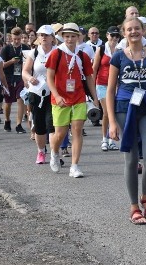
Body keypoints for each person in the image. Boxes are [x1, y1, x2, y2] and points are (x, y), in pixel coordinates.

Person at [105, 16, 146, 225]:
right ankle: (134, 205)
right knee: (132, 158)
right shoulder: (117, 57)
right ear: (124, 33)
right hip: (124, 109)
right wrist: (112, 123)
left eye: (137, 29)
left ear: (143, 31)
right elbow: (110, 90)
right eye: (129, 29)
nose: (134, 32)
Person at [45, 23, 100, 178]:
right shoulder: (56, 54)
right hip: (60, 99)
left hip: (78, 97)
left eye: (73, 36)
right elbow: (49, 78)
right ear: (63, 37)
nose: (70, 39)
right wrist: (56, 95)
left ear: (78, 37)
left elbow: (89, 77)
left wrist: (95, 97)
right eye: (67, 36)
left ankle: (75, 165)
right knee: (60, 134)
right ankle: (54, 153)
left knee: (77, 130)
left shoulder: (82, 55)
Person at [22, 25, 57, 164]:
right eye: (41, 34)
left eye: (46, 35)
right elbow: (25, 71)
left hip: (53, 93)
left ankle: (55, 153)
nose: (43, 37)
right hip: (36, 93)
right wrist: (29, 78)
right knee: (39, 124)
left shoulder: (57, 52)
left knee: (53, 124)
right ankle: (41, 152)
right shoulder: (34, 53)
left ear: (52, 38)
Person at [92, 27, 120, 151]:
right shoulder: (101, 49)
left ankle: (111, 140)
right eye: (112, 35)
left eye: (117, 36)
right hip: (102, 84)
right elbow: (94, 68)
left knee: (115, 113)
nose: (114, 38)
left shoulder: (121, 50)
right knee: (107, 112)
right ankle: (104, 138)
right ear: (107, 35)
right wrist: (91, 88)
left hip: (116, 85)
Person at [0, 27, 30, 134]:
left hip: (20, 77)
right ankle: (7, 120)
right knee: (8, 102)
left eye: (18, 39)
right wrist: (11, 61)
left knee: (20, 99)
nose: (16, 41)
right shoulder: (6, 49)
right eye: (14, 39)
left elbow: (29, 62)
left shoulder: (26, 47)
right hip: (8, 77)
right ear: (11, 38)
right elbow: (1, 65)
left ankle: (18, 124)